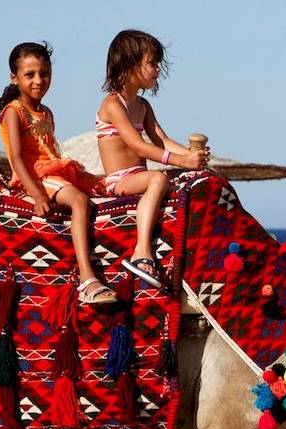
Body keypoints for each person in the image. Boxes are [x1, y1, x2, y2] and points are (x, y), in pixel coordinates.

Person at [0, 42, 115, 305]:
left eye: (45, 74)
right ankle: (87, 278)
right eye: (30, 75)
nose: (39, 80)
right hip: (34, 177)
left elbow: (50, 149)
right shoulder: (13, 112)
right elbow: (17, 158)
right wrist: (38, 195)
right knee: (79, 201)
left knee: (104, 189)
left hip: (54, 172)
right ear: (14, 78)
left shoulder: (46, 112)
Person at [95, 30, 210, 290]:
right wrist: (181, 161)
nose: (158, 69)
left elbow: (162, 140)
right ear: (130, 64)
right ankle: (142, 251)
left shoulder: (143, 106)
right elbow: (138, 146)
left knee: (190, 180)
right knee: (158, 178)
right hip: (120, 180)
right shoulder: (113, 104)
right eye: (152, 63)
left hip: (140, 177)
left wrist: (192, 158)